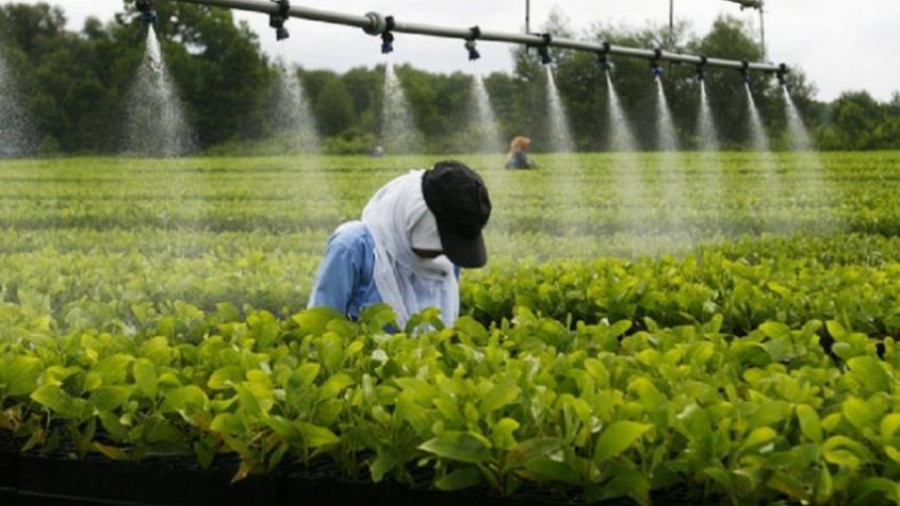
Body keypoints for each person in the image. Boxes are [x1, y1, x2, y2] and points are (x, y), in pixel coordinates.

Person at [307, 160, 492, 328]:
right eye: (439, 245)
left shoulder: (448, 260)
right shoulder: (353, 248)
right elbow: (319, 329)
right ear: (415, 221)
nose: (442, 255)